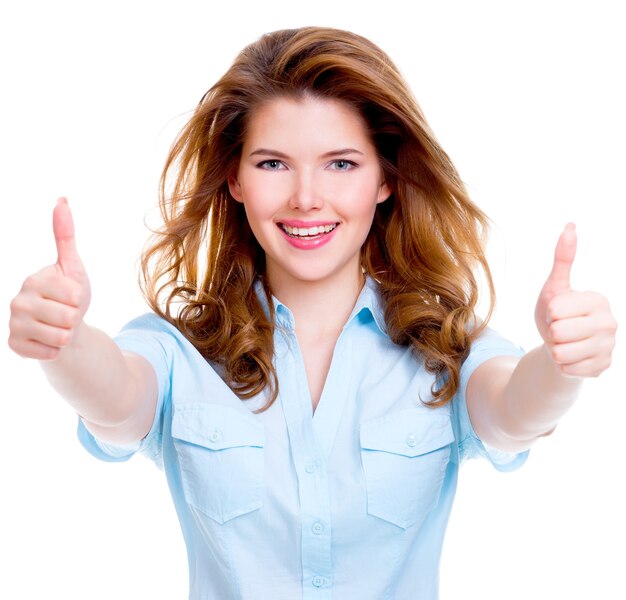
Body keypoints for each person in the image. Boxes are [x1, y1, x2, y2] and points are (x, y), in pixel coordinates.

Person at [8, 26, 617, 600]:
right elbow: (115, 403)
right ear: (236, 179)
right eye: (272, 163)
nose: (305, 197)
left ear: (385, 179)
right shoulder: (181, 350)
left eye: (341, 164)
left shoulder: (445, 349)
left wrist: (562, 365)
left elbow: (511, 414)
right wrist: (64, 341)